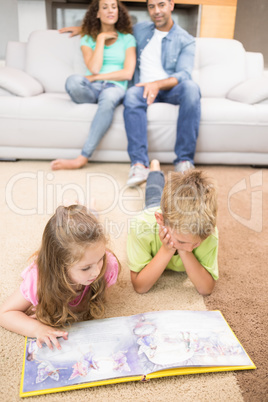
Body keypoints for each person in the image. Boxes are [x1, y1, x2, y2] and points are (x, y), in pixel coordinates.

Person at [0, 204, 120, 350]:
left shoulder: (107, 267)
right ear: (60, 267)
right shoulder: (38, 281)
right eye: (85, 268)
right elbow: (4, 313)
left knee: (83, 223)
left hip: (73, 248)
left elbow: (92, 299)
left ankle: (87, 207)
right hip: (53, 261)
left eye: (100, 258)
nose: (96, 272)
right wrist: (37, 329)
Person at [51, 0, 136, 170]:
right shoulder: (88, 39)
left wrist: (96, 77)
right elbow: (94, 67)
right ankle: (99, 102)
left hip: (115, 88)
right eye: (105, 7)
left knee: (109, 96)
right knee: (73, 81)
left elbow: (127, 73)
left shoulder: (128, 39)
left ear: (119, 12)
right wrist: (100, 39)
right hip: (93, 89)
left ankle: (82, 158)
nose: (110, 10)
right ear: (97, 13)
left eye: (114, 7)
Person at [124, 0, 201, 186]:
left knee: (191, 88)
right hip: (142, 87)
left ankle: (184, 161)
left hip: (170, 88)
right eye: (152, 7)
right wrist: (84, 30)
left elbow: (183, 74)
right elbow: (114, 31)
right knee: (131, 95)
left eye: (161, 5)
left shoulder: (186, 39)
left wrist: (157, 84)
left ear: (171, 5)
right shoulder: (139, 30)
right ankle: (139, 164)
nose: (156, 11)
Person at [127, 160, 218, 295]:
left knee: (159, 195)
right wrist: (167, 249)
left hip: (170, 215)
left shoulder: (208, 233)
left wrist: (183, 250)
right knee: (153, 194)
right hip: (154, 210)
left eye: (197, 243)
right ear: (161, 220)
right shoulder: (141, 227)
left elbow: (206, 289)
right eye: (182, 242)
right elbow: (140, 287)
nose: (189, 247)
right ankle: (155, 168)